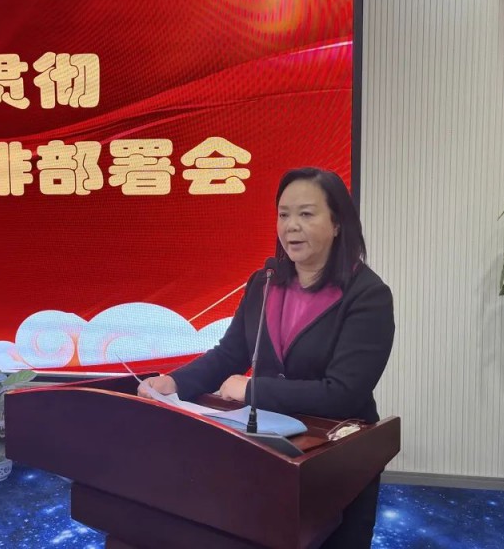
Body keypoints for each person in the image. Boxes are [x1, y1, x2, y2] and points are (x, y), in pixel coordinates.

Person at [138, 167, 395, 548]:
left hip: (339, 459)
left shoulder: (368, 295)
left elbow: (343, 392)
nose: (291, 226)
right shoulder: (266, 282)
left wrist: (252, 390)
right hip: (271, 451)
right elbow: (230, 354)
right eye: (284, 214)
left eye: (306, 214)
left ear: (337, 223)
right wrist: (174, 381)